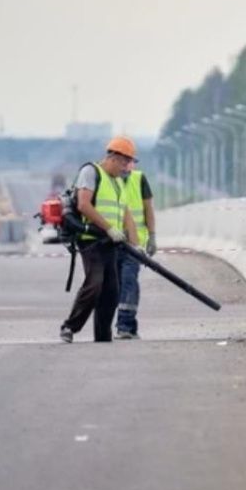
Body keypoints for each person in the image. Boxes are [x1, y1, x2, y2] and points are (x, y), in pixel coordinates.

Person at [59, 136, 139, 343]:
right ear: (113, 157)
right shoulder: (91, 172)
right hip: (91, 239)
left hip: (110, 242)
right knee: (94, 283)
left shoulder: (118, 182)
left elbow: (125, 212)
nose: (126, 168)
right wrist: (109, 228)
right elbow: (84, 205)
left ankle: (103, 337)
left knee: (112, 291)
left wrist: (134, 243)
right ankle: (69, 327)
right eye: (124, 162)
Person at [115, 165, 156, 340]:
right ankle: (130, 326)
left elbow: (148, 209)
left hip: (134, 244)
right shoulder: (105, 179)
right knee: (115, 286)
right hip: (110, 242)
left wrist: (152, 236)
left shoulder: (139, 179)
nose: (124, 167)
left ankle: (124, 325)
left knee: (129, 281)